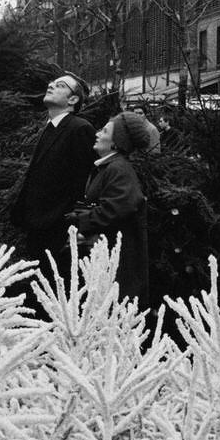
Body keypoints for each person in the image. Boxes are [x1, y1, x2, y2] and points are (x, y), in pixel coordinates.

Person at [10, 72, 97, 274]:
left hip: (58, 230)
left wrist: (70, 223)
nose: (51, 85)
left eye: (60, 85)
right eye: (52, 83)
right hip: (38, 228)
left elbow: (85, 179)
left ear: (73, 99)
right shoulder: (50, 128)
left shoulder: (79, 128)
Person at [66, 111, 151, 304]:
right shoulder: (109, 167)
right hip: (106, 258)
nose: (97, 134)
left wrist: (80, 222)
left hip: (117, 264)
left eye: (104, 131)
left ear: (116, 142)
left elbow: (118, 207)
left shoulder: (118, 169)